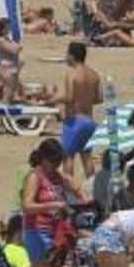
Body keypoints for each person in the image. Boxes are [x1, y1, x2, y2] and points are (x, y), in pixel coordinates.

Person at [21, 138, 90, 267]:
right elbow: (27, 206)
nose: (55, 166)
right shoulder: (35, 177)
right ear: (43, 159)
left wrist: (84, 202)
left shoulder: (58, 177)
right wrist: (53, 205)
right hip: (37, 231)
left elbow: (79, 191)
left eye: (58, 162)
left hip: (56, 232)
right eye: (53, 162)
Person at [52, 42, 102, 181]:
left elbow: (70, 97)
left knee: (68, 157)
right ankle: (92, 189)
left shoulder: (72, 74)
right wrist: (84, 99)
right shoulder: (94, 74)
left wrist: (53, 99)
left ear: (72, 56)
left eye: (67, 54)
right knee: (87, 157)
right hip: (89, 121)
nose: (65, 57)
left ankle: (69, 190)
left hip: (74, 121)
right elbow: (98, 99)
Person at [0, 18, 24, 103]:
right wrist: (19, 45)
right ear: (2, 29)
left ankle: (6, 111)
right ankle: (4, 112)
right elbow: (13, 50)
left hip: (12, 69)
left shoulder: (6, 39)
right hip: (7, 69)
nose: (9, 29)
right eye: (7, 27)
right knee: (8, 94)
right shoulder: (1, 40)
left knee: (13, 93)